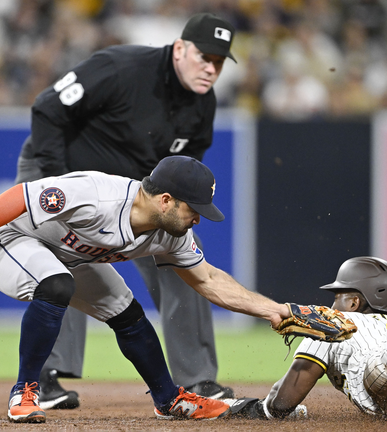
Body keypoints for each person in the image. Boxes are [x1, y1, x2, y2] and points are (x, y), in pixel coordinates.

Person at [0, 155, 298, 423]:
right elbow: (19, 197)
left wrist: (272, 309)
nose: (198, 218)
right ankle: (24, 392)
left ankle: (169, 401)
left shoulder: (171, 234)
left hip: (65, 256)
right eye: (194, 208)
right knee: (57, 284)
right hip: (7, 238)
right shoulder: (98, 196)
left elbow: (208, 280)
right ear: (165, 200)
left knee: (127, 312)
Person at [13, 12, 238, 408]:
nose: (210, 68)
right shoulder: (121, 68)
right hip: (62, 174)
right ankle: (43, 379)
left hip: (135, 196)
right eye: (204, 56)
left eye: (219, 62)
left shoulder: (203, 105)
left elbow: (184, 175)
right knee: (62, 256)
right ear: (180, 48)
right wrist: (58, 186)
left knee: (183, 251)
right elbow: (47, 108)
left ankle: (198, 379)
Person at [223, 256, 387, 425]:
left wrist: (260, 408)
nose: (333, 303)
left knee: (384, 371)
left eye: (338, 295)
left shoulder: (335, 322)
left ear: (353, 302)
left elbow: (284, 401)